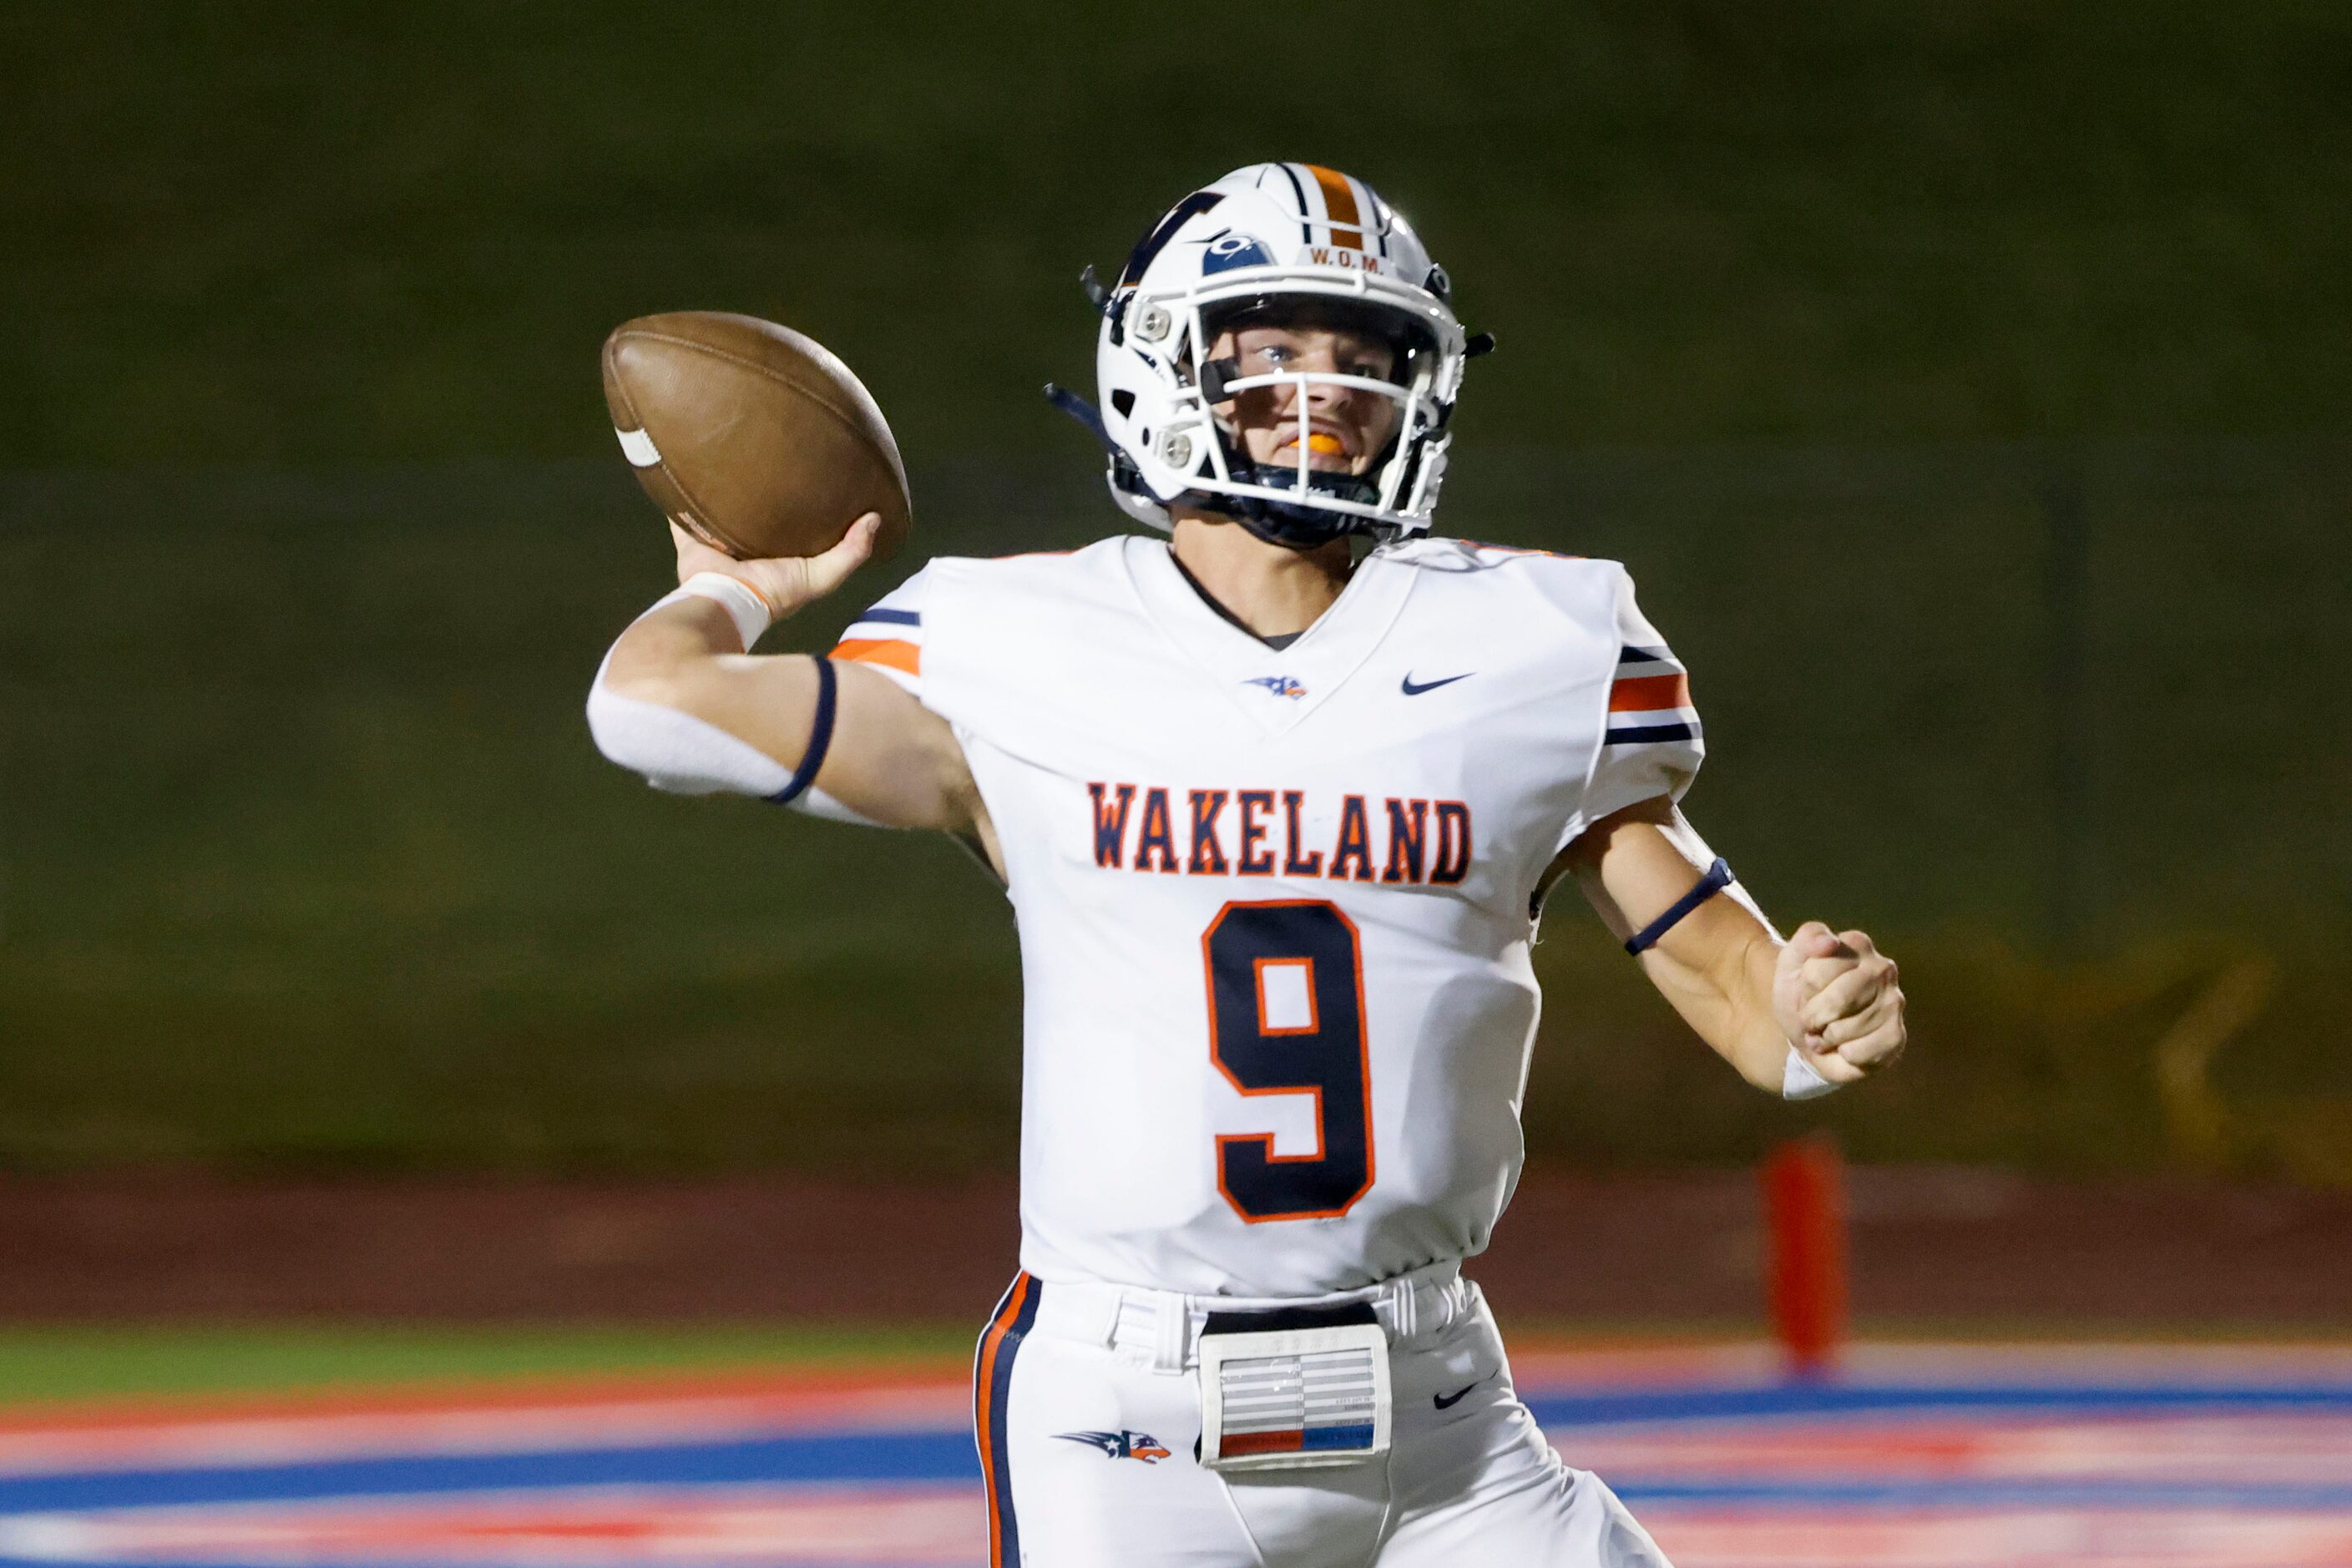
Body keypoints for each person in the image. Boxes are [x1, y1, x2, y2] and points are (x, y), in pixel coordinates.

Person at [587, 163, 1905, 1567]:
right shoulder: (1014, 639)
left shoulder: (1537, 639)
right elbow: (646, 707)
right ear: (1165, 363)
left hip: (1441, 1409)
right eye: (1271, 349)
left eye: (1361, 354)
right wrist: (739, 584)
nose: (1323, 388)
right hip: (1127, 1416)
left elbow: (1729, 980)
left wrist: (1810, 1003)